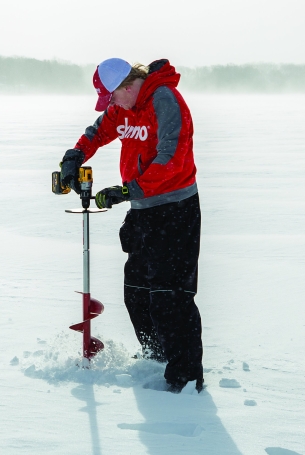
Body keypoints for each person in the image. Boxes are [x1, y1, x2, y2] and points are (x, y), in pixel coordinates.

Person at [59, 58, 203, 393]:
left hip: (175, 209)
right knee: (137, 292)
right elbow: (99, 131)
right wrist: (75, 156)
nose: (111, 105)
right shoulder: (124, 108)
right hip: (142, 210)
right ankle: (156, 358)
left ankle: (184, 377)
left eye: (112, 97)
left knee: (169, 296)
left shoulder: (163, 99)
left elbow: (172, 158)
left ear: (127, 86)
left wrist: (127, 190)